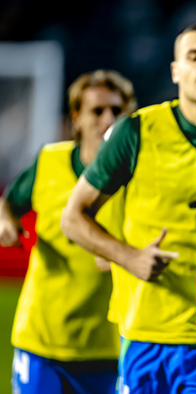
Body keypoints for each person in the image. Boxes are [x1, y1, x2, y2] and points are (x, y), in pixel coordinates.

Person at [61, 21, 196, 393]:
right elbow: (72, 217)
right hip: (144, 340)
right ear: (176, 71)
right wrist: (127, 257)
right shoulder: (136, 132)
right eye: (194, 57)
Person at [0, 69, 136, 394]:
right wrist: (5, 222)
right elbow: (9, 203)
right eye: (97, 110)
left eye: (117, 111)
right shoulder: (49, 161)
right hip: (41, 338)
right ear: (76, 118)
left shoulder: (139, 177)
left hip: (106, 346)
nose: (108, 119)